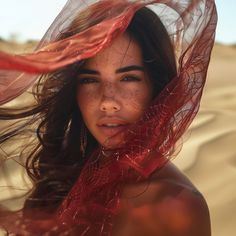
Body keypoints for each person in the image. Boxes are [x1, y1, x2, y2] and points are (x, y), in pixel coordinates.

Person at [0, 0, 217, 235]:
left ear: (158, 86)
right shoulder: (76, 170)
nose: (107, 102)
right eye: (90, 80)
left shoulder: (176, 206)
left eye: (128, 78)